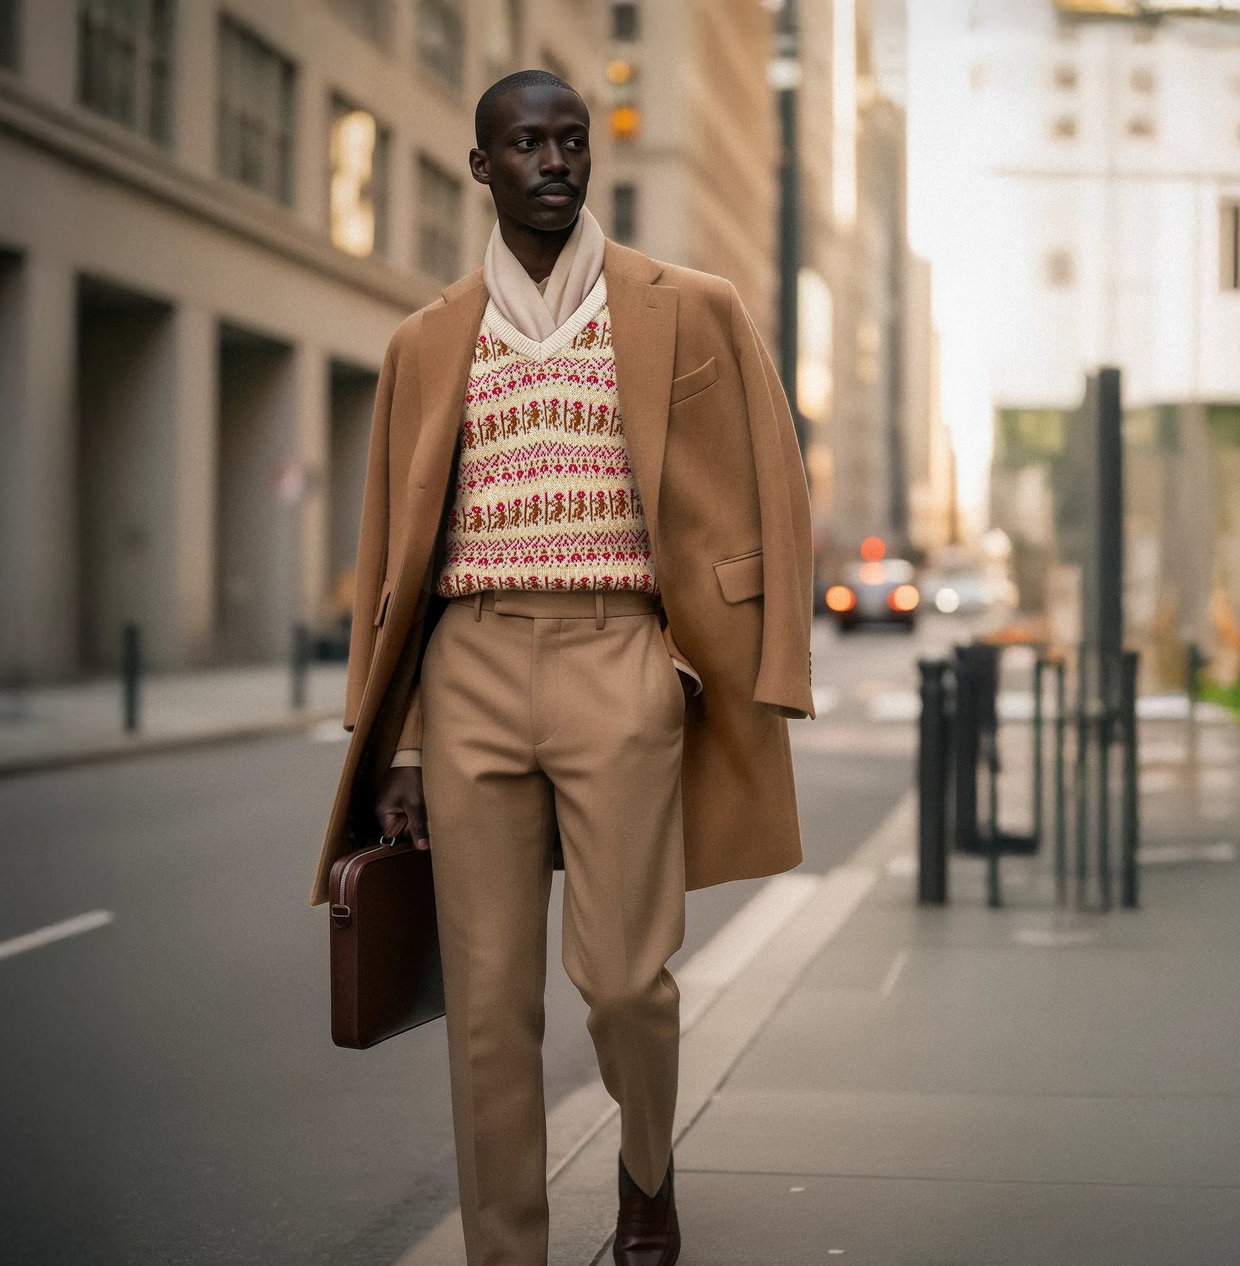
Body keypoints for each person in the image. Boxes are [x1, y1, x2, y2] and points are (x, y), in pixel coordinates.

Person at [310, 69, 816, 1266]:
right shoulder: (425, 342)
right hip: (470, 668)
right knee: (488, 1006)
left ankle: (646, 1173)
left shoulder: (691, 307)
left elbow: (776, 484)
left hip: (619, 653)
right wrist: (401, 741)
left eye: (572, 141)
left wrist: (753, 661)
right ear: (480, 167)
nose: (554, 162)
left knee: (626, 979)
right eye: (527, 144)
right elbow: (393, 556)